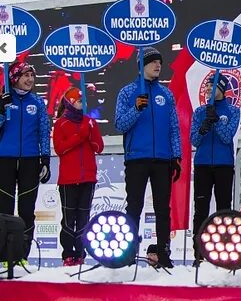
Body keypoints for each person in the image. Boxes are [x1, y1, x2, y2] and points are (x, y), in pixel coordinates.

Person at [114, 47, 181, 268]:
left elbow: (173, 127)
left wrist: (176, 155)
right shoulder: (126, 92)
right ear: (142, 65)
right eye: (153, 62)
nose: (157, 66)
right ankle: (129, 254)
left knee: (163, 209)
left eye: (159, 62)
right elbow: (120, 124)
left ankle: (163, 254)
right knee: (134, 207)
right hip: (136, 158)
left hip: (162, 159)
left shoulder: (166, 94)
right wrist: (136, 108)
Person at [0, 62, 51, 266]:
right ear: (14, 78)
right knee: (4, 209)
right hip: (5, 160)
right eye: (25, 75)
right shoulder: (4, 99)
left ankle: (22, 255)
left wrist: (45, 158)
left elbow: (44, 132)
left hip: (30, 160)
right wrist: (1, 110)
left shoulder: (38, 102)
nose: (30, 79)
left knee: (27, 210)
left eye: (32, 75)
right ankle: (4, 256)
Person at [190, 75, 240, 267]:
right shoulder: (199, 112)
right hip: (202, 164)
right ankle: (199, 253)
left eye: (212, 87)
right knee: (200, 210)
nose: (208, 90)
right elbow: (194, 140)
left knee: (223, 209)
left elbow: (227, 137)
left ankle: (223, 250)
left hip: (224, 165)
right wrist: (204, 126)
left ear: (221, 88)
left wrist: (216, 120)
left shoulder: (233, 111)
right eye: (206, 87)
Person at [53, 86, 104, 266]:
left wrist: (91, 132)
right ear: (70, 102)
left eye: (83, 101)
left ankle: (80, 254)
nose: (82, 104)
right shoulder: (60, 124)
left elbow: (99, 147)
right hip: (68, 179)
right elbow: (60, 148)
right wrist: (80, 134)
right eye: (79, 101)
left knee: (83, 218)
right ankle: (68, 253)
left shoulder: (90, 122)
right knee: (68, 219)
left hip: (87, 178)